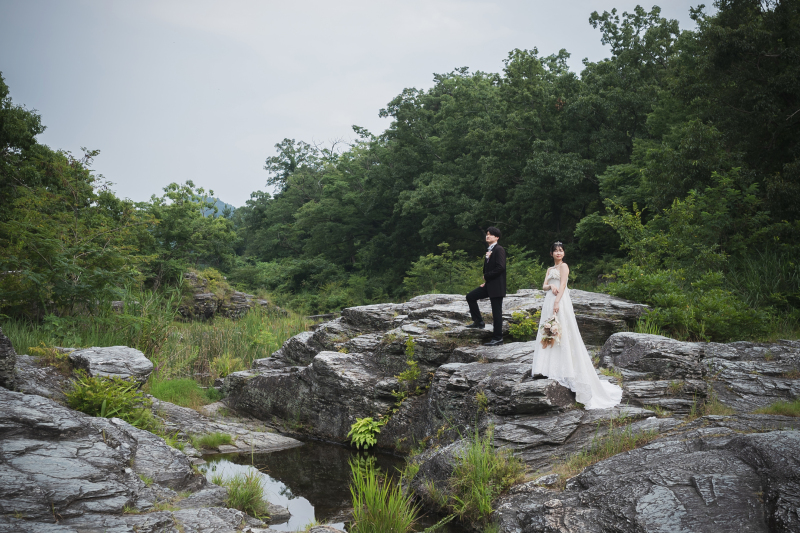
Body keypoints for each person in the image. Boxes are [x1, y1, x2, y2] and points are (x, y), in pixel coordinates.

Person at [531, 241, 622, 409]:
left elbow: (563, 285)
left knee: (562, 330)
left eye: (561, 250)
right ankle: (545, 367)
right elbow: (544, 286)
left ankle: (565, 368)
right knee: (548, 331)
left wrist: (557, 301)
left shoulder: (564, 267)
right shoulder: (550, 269)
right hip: (548, 300)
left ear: (564, 253)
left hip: (560, 301)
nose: (559, 253)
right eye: (556, 251)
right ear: (551, 254)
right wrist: (550, 286)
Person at [465, 227, 506, 346]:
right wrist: (487, 281)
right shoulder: (490, 249)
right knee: (470, 296)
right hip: (489, 285)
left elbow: (500, 267)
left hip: (497, 286)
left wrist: (487, 276)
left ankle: (498, 338)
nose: (488, 236)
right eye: (487, 234)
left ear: (497, 237)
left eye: (491, 235)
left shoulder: (499, 249)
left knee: (496, 312)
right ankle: (478, 322)